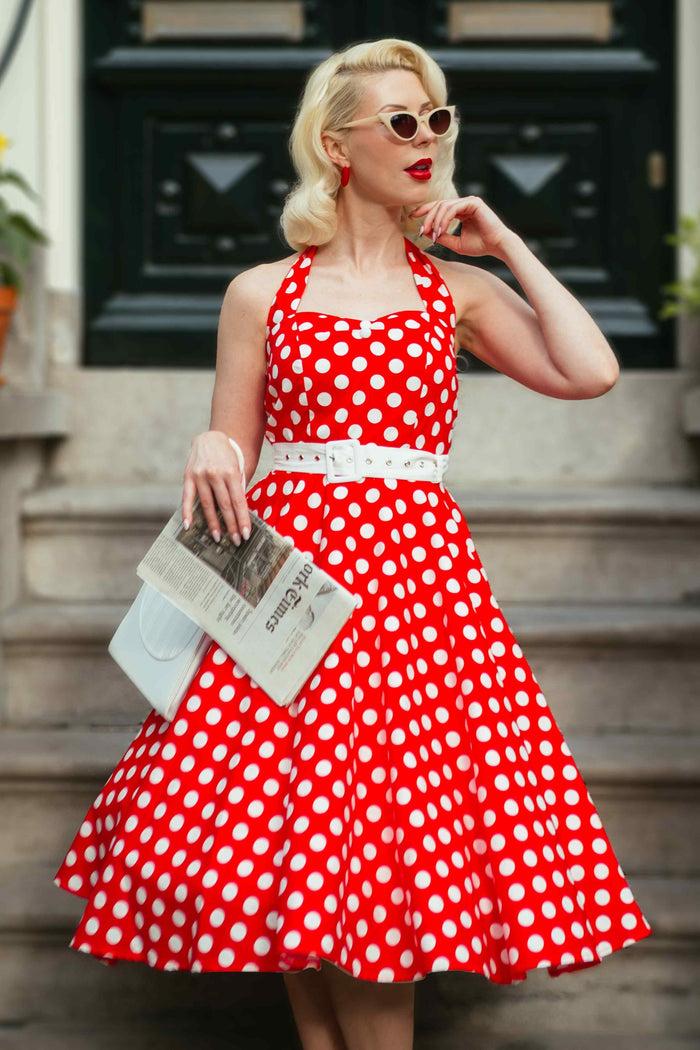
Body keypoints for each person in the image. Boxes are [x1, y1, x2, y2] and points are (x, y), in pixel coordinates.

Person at [53, 37, 653, 1050]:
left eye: (438, 119)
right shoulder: (261, 293)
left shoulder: (450, 294)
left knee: (385, 849)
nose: (427, 139)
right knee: (280, 844)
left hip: (418, 598)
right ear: (338, 148)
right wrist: (207, 440)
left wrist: (502, 243)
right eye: (402, 122)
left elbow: (589, 371)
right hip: (288, 591)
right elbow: (231, 454)